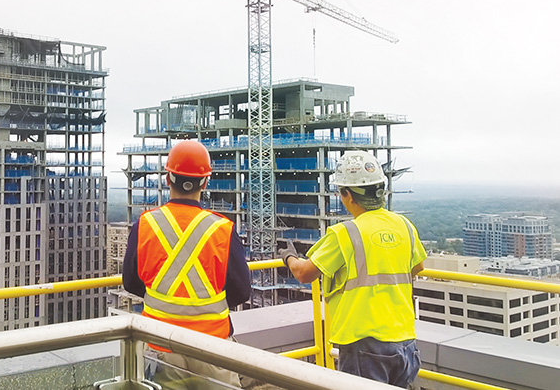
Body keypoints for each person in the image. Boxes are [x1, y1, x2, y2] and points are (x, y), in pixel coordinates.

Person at [278, 150, 427, 388]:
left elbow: (304, 273)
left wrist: (288, 257)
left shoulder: (346, 233)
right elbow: (417, 266)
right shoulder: (404, 225)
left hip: (365, 345)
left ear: (346, 194)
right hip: (405, 342)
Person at [123, 140, 251, 389]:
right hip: (212, 347)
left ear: (168, 178)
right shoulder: (222, 229)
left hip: (160, 344)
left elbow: (131, 282)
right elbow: (241, 292)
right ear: (205, 182)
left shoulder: (146, 224)